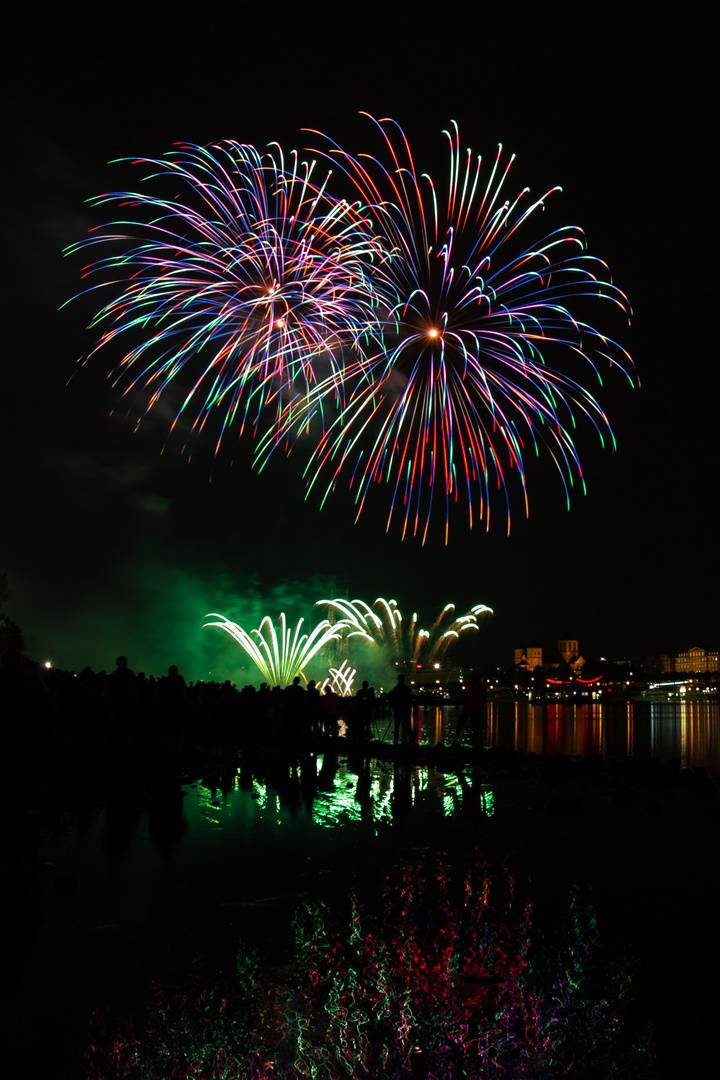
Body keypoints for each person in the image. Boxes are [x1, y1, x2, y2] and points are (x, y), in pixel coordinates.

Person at [454, 671, 487, 747]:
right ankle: (476, 744)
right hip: (477, 709)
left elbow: (464, 696)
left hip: (467, 707)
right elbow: (484, 698)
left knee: (461, 724)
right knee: (476, 728)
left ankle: (456, 739)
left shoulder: (468, 685)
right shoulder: (482, 687)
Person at [389, 673, 414, 744]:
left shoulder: (396, 689)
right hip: (405, 710)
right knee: (408, 726)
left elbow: (393, 700)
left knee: (396, 727)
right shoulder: (407, 689)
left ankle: (396, 742)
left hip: (398, 710)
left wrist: (393, 707)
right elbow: (410, 700)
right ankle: (411, 741)